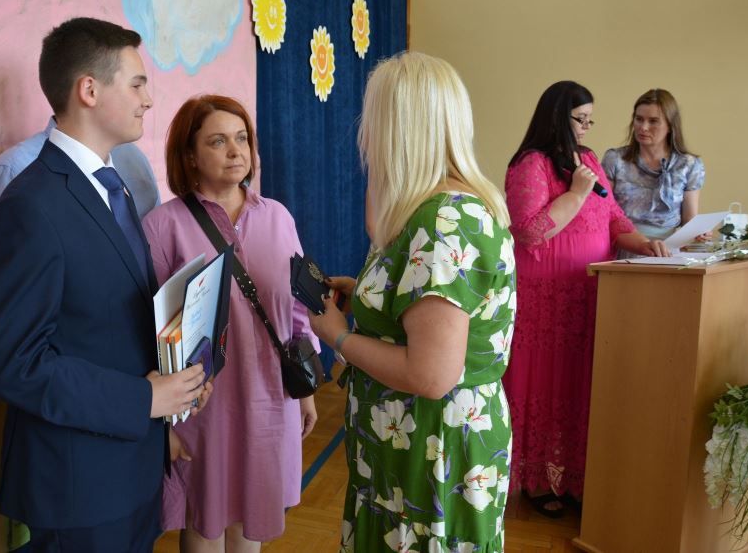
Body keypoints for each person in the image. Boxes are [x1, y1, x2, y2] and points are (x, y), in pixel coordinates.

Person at [0, 17, 209, 552]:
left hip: (131, 463)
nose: (148, 99)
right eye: (137, 83)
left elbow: (116, 318)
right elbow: (12, 361)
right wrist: (143, 398)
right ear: (89, 90)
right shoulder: (30, 205)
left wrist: (178, 382)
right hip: (78, 482)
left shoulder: (112, 184)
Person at [309, 52, 516, 552]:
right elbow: (426, 308)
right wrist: (368, 299)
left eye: (373, 119)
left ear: (397, 129)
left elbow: (430, 375)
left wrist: (338, 336)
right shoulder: (437, 208)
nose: (365, 135)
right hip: (412, 447)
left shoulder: (444, 221)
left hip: (430, 451)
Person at [142, 95, 317, 552]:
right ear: (189, 156)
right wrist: (163, 424)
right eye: (218, 141)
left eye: (242, 138)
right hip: (203, 409)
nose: (236, 151)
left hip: (270, 398)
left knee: (251, 520)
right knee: (205, 522)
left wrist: (306, 388)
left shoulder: (277, 216)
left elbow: (299, 309)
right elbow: (149, 332)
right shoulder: (163, 226)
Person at [502, 80, 669, 517]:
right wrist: (576, 193)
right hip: (545, 301)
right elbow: (530, 231)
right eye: (580, 119)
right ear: (558, 117)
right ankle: (538, 481)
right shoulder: (531, 164)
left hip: (587, 295)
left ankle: (574, 477)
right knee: (544, 385)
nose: (586, 128)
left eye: (590, 120)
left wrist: (645, 244)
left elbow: (614, 219)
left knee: (578, 388)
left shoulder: (589, 160)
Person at [0, 117, 159, 310]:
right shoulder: (13, 169)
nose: (147, 103)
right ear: (88, 97)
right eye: (134, 89)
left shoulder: (134, 160)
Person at [601, 88, 705, 243]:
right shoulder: (615, 159)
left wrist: (699, 232)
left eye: (653, 121)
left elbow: (689, 219)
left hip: (668, 248)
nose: (643, 127)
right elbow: (603, 211)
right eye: (639, 119)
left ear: (670, 125)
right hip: (623, 242)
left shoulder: (689, 165)